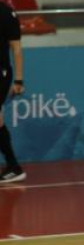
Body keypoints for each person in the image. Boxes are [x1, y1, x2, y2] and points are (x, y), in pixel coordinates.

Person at [0, 1, 24, 183]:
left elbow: (16, 48)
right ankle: (13, 166)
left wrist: (19, 79)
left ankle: (14, 166)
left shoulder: (7, 13)